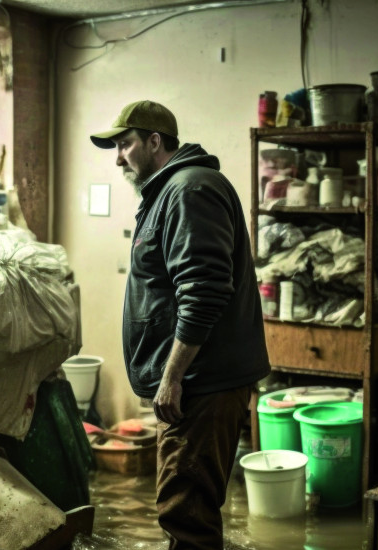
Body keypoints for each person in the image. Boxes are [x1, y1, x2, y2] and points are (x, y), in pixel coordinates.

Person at [90, 100, 270, 549]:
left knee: (185, 511)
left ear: (154, 142)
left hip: (199, 383)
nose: (117, 157)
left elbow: (204, 290)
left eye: (124, 144)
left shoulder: (190, 190)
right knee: (189, 508)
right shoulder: (172, 191)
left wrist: (171, 378)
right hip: (198, 382)